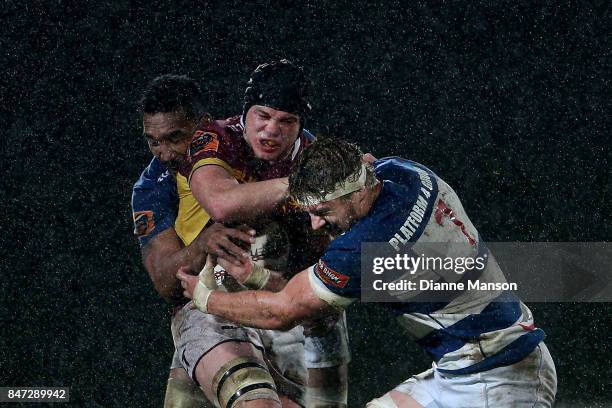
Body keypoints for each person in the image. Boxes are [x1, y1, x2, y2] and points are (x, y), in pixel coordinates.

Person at [178, 139, 558, 407]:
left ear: (355, 194)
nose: (314, 225)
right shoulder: (404, 171)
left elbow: (281, 312)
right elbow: (309, 302)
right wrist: (259, 278)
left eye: (323, 212)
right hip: (475, 364)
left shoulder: (365, 245)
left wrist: (205, 298)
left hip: (498, 380)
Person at [179, 60, 350, 408]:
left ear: (300, 126)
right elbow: (222, 205)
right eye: (263, 116)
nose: (272, 130)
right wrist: (303, 185)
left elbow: (324, 276)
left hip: (288, 301)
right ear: (246, 113)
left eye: (286, 121)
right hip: (214, 300)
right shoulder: (217, 138)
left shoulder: (315, 157)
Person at [132, 74, 301, 408]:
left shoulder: (254, 141)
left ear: (204, 126)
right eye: (153, 141)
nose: (164, 153)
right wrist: (203, 243)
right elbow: (165, 282)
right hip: (205, 308)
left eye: (175, 138)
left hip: (282, 303)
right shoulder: (154, 186)